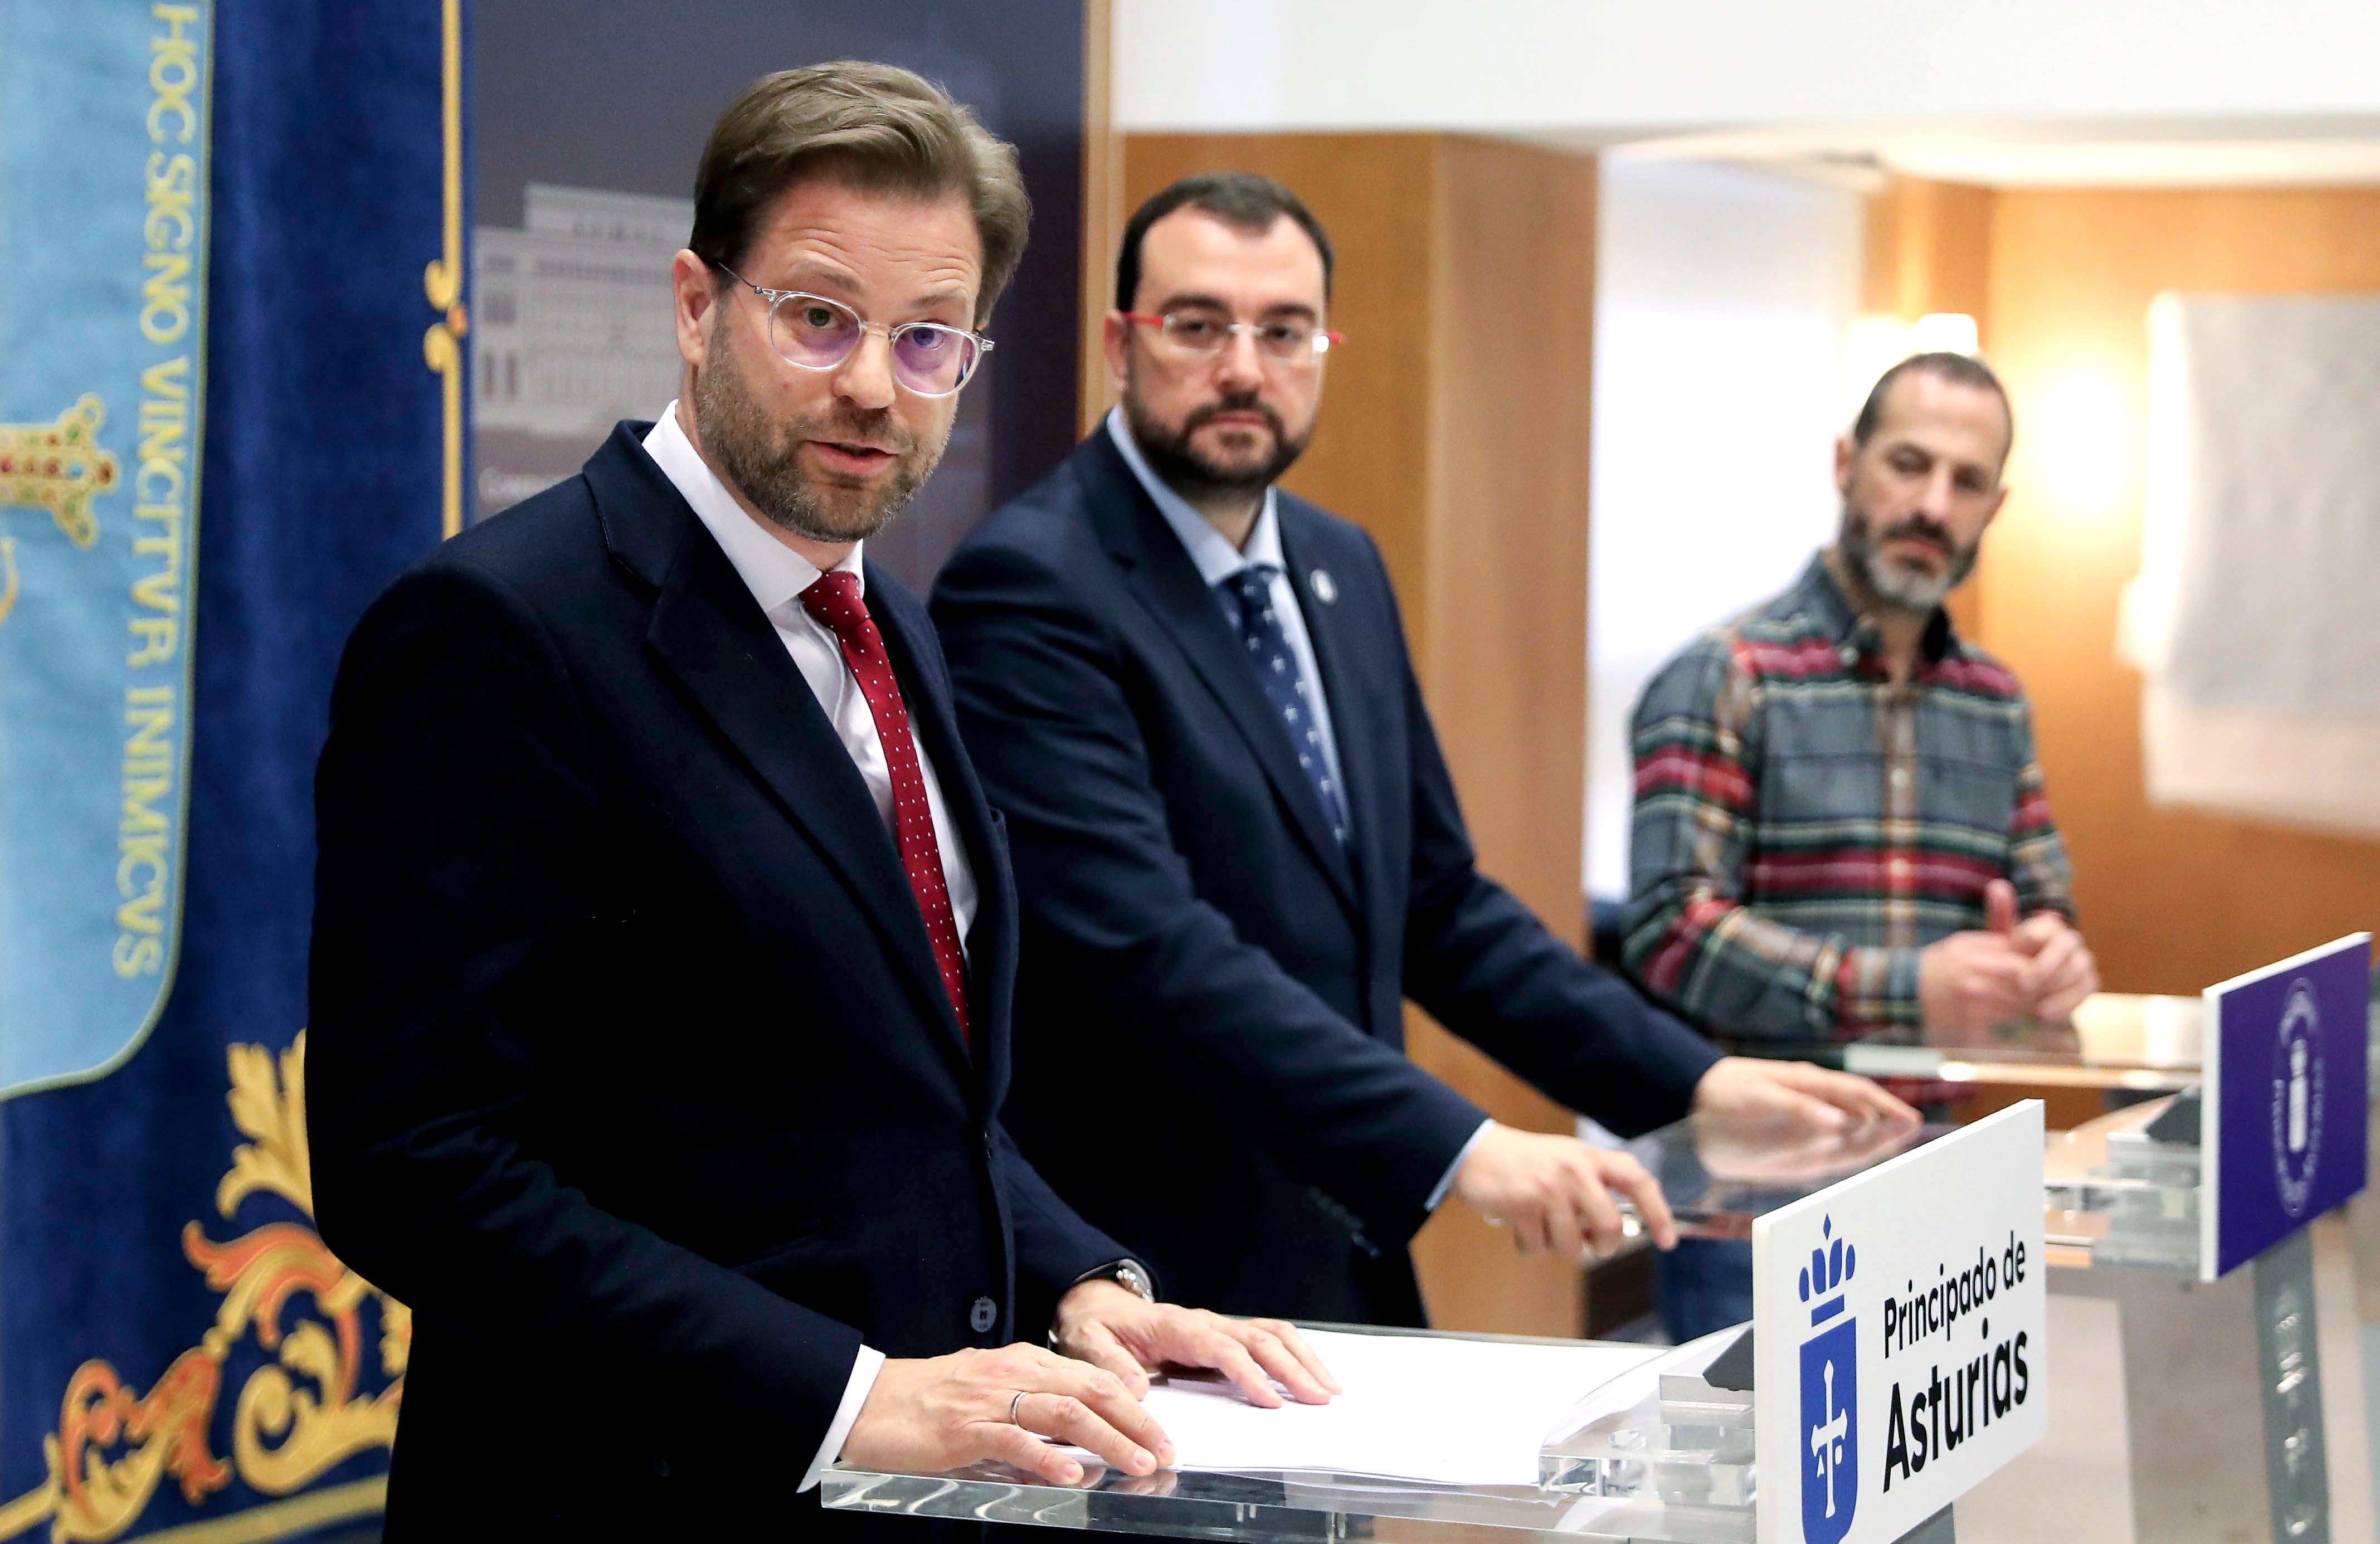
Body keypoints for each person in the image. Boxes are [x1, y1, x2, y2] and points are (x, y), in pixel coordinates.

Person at [307, 68, 1335, 1539]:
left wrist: (1082, 1279)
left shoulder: (888, 620)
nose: (872, 383)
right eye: (819, 317)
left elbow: (903, 1092)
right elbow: (414, 1168)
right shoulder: (499, 628)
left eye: (929, 341)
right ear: (693, 303)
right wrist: (854, 1397)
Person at [929, 172, 1911, 1330]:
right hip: (1144, 1276)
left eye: (1285, 331)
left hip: (1341, 1250)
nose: (1244, 368)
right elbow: (1153, 951)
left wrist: (1690, 1081)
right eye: (1197, 326)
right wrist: (1462, 1148)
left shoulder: (1340, 568)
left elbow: (1440, 907)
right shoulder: (1031, 587)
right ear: (1119, 344)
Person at [1622, 349, 2098, 1337]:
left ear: (1994, 508)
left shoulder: (1996, 702)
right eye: (1908, 465)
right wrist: (1904, 988)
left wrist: (2050, 955)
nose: (1933, 504)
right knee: (1754, 1492)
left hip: (1943, 1184)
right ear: (1848, 464)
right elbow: (1672, 933)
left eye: (1966, 483)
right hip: (1756, 1191)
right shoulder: (1726, 677)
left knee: (1937, 1493)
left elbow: (2045, 898)